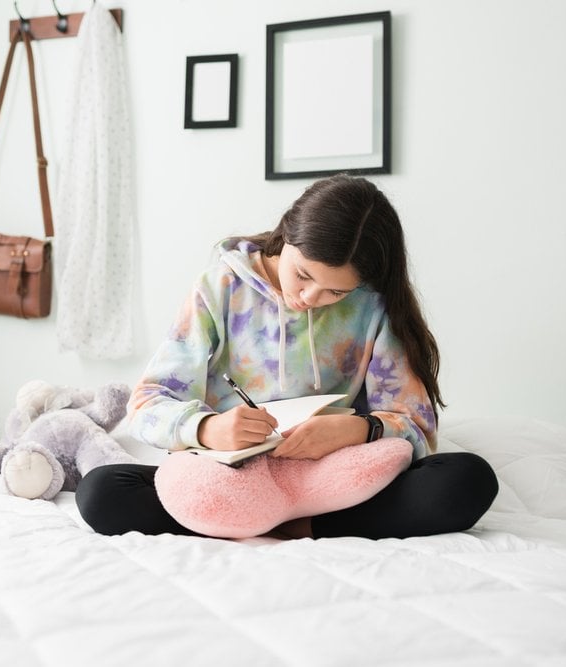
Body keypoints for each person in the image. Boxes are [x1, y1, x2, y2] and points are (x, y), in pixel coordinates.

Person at [76, 174, 498, 539]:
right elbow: (148, 403)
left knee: (466, 481)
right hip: (231, 474)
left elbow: (418, 428)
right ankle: (284, 520)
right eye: (303, 275)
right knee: (102, 492)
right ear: (287, 236)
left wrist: (357, 430)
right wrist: (207, 428)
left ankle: (272, 524)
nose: (311, 298)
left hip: (330, 477)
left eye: (336, 292)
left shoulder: (373, 307)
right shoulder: (221, 287)